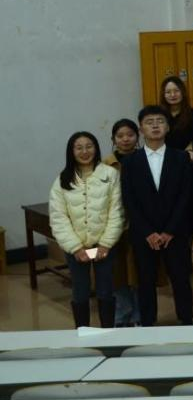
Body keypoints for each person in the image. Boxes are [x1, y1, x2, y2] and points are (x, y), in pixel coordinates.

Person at [120, 106, 193, 326]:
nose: (155, 125)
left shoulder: (181, 158)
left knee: (181, 278)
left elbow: (186, 196)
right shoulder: (130, 162)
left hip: (175, 231)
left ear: (168, 127)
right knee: (145, 280)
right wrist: (148, 232)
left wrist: (170, 230)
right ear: (141, 129)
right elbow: (129, 200)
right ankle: (148, 322)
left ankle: (186, 320)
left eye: (160, 121)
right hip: (144, 234)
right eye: (149, 122)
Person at [50, 131, 123, 328]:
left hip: (104, 246)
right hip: (76, 248)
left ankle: (107, 333)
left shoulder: (110, 174)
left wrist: (106, 244)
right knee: (80, 292)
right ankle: (82, 333)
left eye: (89, 146)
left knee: (105, 291)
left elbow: (116, 211)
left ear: (96, 148)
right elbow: (58, 217)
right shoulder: (62, 179)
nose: (85, 151)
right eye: (79, 148)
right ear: (71, 151)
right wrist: (76, 247)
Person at [103, 118, 142, 327]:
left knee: (138, 272)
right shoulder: (105, 165)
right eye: (120, 136)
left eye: (130, 135)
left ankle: (139, 316)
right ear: (113, 139)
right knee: (118, 273)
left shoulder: (144, 158)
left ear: (137, 137)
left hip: (140, 224)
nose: (125, 139)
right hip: (114, 226)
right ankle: (122, 315)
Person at [160, 76, 193, 153]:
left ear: (183, 92)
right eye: (168, 92)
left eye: (176, 91)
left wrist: (189, 150)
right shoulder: (159, 114)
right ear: (163, 95)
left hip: (187, 155)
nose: (173, 95)